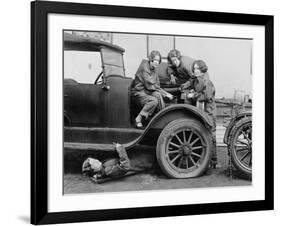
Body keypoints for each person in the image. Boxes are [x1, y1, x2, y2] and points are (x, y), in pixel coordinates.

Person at [187, 60, 218, 168]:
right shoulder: (197, 80)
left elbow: (207, 96)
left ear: (202, 69)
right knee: (203, 134)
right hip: (202, 110)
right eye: (194, 68)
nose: (195, 70)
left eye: (197, 68)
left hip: (209, 111)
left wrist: (193, 95)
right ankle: (205, 160)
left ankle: (213, 161)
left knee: (211, 135)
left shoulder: (207, 81)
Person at [131, 50, 173, 128]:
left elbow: (156, 85)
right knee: (154, 101)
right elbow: (150, 86)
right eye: (155, 60)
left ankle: (161, 117)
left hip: (147, 91)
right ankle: (138, 119)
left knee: (157, 94)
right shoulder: (145, 69)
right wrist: (165, 94)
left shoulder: (154, 69)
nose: (156, 62)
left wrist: (163, 93)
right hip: (139, 92)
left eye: (158, 60)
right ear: (150, 60)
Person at [82, 143, 146, 182]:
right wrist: (120, 148)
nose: (96, 160)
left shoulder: (102, 166)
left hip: (137, 159)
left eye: (94, 159)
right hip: (141, 163)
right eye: (94, 162)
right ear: (94, 169)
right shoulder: (107, 171)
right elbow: (126, 166)